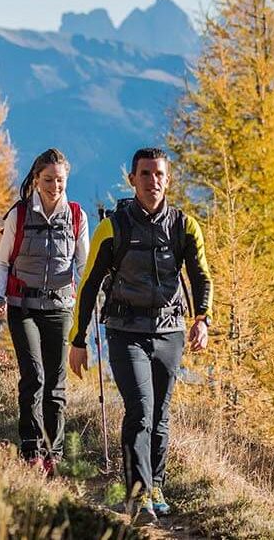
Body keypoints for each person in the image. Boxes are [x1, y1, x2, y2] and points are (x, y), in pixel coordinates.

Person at [69, 147, 212, 522]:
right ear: (132, 180)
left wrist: (203, 319)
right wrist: (78, 340)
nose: (153, 181)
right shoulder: (113, 227)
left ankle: (156, 484)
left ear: (168, 178)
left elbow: (200, 276)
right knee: (141, 410)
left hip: (170, 332)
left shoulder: (184, 226)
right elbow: (89, 285)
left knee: (161, 414)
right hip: (124, 332)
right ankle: (138, 495)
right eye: (145, 174)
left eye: (160, 174)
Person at [0, 148, 89, 475]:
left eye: (60, 180)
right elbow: (3, 262)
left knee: (56, 383)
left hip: (60, 308)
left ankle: (53, 452)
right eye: (48, 180)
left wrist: (88, 304)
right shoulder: (18, 214)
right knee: (34, 377)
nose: (54, 186)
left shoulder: (76, 216)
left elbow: (84, 266)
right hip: (22, 307)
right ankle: (30, 448)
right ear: (35, 179)